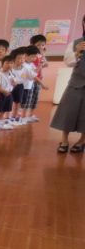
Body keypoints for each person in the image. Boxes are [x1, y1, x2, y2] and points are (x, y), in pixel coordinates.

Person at [51, 15, 85, 153]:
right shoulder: (76, 43)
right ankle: (64, 140)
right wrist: (77, 52)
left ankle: (81, 140)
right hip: (76, 83)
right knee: (68, 111)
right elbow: (68, 62)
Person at [20, 45, 48, 122]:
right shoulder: (23, 64)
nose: (34, 59)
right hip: (24, 86)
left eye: (35, 57)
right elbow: (32, 76)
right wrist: (42, 83)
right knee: (23, 103)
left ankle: (25, 116)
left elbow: (35, 73)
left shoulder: (31, 64)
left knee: (28, 102)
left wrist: (40, 65)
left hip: (29, 86)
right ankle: (22, 117)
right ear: (25, 55)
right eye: (32, 57)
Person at [0, 55, 15, 130]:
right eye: (7, 63)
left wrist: (14, 83)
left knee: (4, 110)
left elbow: (14, 83)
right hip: (1, 94)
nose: (9, 65)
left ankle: (0, 124)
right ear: (2, 64)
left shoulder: (11, 74)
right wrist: (3, 91)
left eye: (11, 63)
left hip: (9, 93)